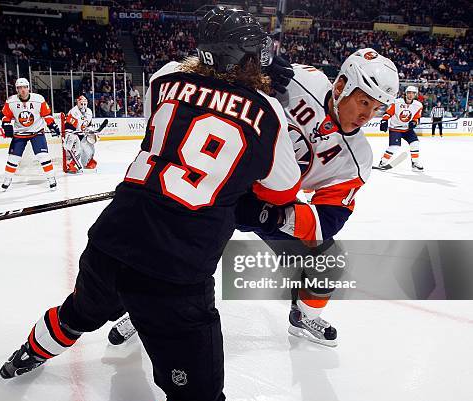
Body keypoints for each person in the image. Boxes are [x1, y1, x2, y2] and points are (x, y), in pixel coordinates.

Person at [0, 7, 301, 401]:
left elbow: (162, 136)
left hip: (111, 240)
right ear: (242, 55)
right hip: (175, 271)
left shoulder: (163, 79)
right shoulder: (269, 111)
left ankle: (28, 353)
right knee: (198, 399)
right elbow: (282, 191)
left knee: (78, 312)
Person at [108, 48, 400, 348]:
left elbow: (327, 220)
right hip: (220, 182)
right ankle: (141, 308)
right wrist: (256, 66)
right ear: (341, 87)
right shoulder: (303, 81)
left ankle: (304, 315)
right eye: (364, 102)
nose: (367, 115)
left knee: (328, 260)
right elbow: (228, 85)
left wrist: (268, 215)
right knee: (177, 252)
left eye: (377, 108)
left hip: (270, 202)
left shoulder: (358, 158)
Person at [0, 78, 60, 190]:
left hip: (36, 132)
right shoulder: (11, 101)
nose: (22, 90)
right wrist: (6, 124)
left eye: (24, 87)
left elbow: (46, 115)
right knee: (13, 158)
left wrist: (52, 125)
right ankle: (7, 179)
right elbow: (5, 116)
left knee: (42, 156)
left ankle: (51, 178)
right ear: (17, 89)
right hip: (20, 133)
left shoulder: (38, 99)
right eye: (19, 88)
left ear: (28, 88)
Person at [378, 85, 424, 171]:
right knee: (394, 147)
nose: (410, 95)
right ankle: (382, 162)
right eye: (409, 93)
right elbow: (388, 113)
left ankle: (415, 163)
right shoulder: (397, 102)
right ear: (405, 94)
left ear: (415, 95)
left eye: (413, 93)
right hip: (395, 129)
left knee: (415, 144)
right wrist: (384, 121)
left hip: (407, 130)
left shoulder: (418, 105)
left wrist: (414, 122)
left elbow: (417, 118)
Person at [62, 95, 96, 173]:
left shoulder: (89, 112)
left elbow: (89, 125)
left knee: (90, 147)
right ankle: (69, 164)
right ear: (77, 103)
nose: (83, 106)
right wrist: (74, 135)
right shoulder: (74, 112)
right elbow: (68, 128)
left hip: (82, 134)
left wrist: (90, 131)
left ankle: (87, 162)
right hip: (72, 134)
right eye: (81, 104)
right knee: (77, 148)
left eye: (85, 104)